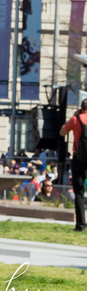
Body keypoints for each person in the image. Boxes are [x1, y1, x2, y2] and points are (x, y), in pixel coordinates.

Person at [60, 98, 87, 232]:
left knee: (79, 192)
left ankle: (81, 225)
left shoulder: (76, 119)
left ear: (81, 108)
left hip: (79, 158)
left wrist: (75, 115)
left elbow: (62, 132)